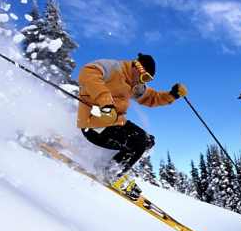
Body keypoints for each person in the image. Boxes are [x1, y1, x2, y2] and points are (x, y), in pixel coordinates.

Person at [76, 53, 187, 199]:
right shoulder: (113, 68)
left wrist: (172, 95)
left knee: (147, 140)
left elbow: (151, 98)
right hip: (94, 121)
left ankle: (108, 165)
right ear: (137, 67)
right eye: (144, 77)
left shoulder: (134, 85)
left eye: (147, 80)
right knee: (138, 142)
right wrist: (105, 101)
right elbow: (88, 72)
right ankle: (110, 172)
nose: (143, 82)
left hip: (113, 122)